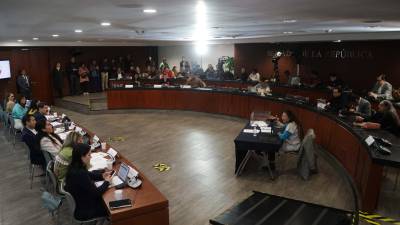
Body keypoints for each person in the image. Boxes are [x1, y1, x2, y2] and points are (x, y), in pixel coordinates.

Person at [65, 143, 112, 221]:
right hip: (86, 210)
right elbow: (96, 193)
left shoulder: (75, 167)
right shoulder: (79, 173)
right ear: (81, 157)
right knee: (111, 206)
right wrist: (106, 182)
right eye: (89, 155)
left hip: (82, 202)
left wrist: (102, 176)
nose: (91, 157)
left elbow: (89, 174)